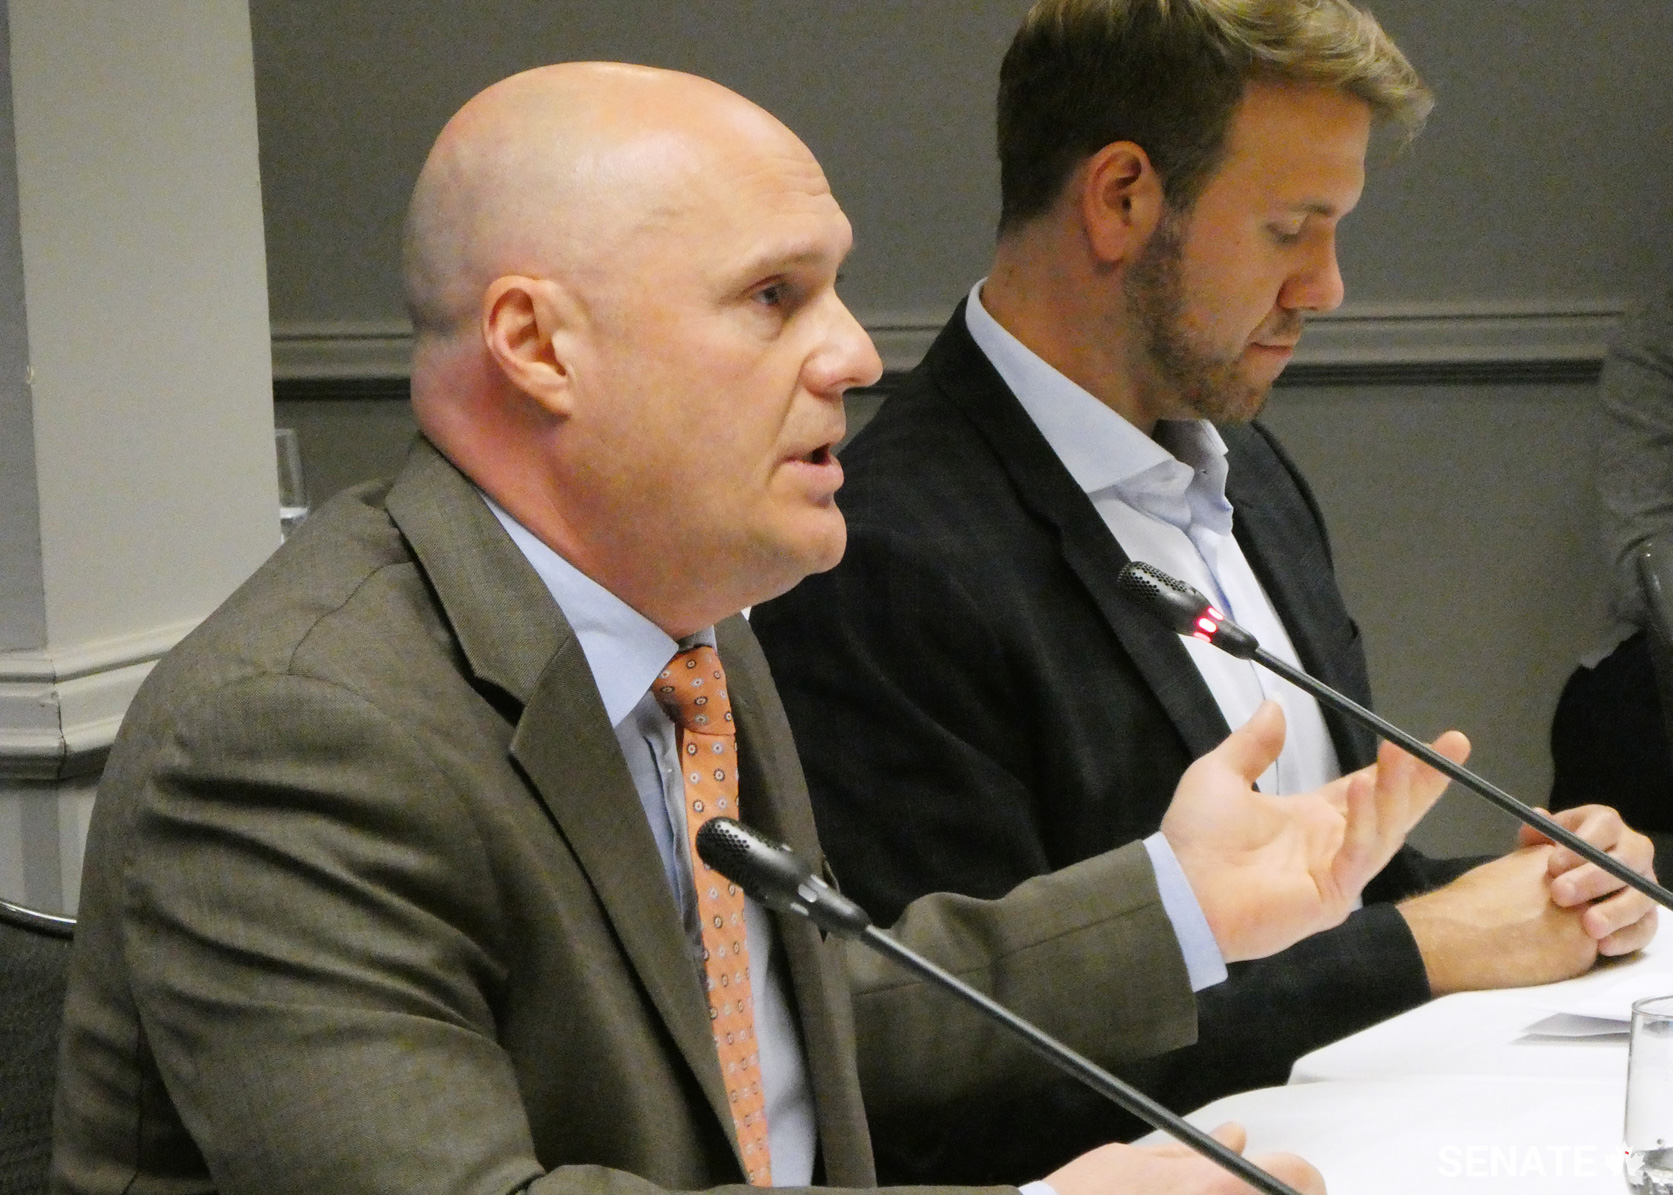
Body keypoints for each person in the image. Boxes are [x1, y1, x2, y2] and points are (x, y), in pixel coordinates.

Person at [49, 61, 1467, 1195]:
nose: (855, 354)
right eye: (774, 298)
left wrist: (1184, 898)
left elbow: (784, 1027)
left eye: (836, 290)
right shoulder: (298, 730)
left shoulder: (686, 633)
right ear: (540, 346)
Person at [751, 0, 1658, 1182]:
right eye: (1291, 229)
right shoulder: (874, 556)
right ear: (1121, 198)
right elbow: (955, 1063)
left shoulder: (1248, 468)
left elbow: (1326, 896)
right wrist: (1426, 945)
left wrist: (1533, 885)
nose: (1326, 286)